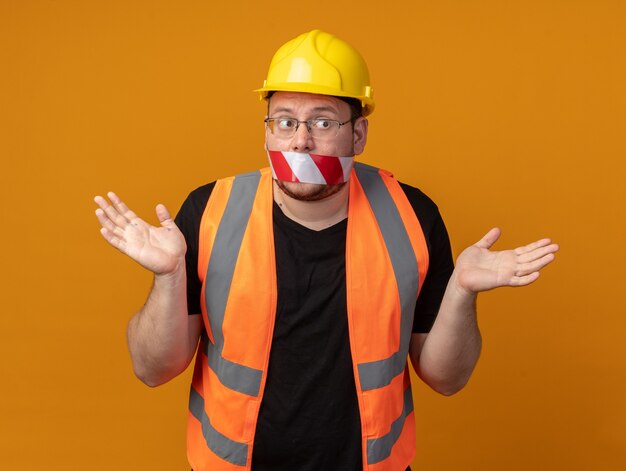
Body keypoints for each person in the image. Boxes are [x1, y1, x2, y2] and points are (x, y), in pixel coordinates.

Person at [94, 30, 558, 471]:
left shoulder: (412, 215)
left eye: (322, 121)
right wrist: (169, 277)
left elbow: (447, 378)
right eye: (285, 121)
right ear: (267, 131)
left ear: (357, 135)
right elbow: (152, 369)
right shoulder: (209, 210)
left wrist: (460, 290)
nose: (300, 140)